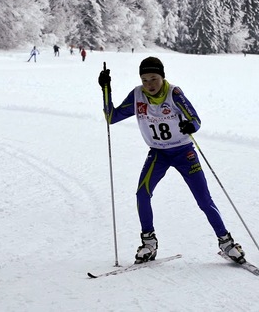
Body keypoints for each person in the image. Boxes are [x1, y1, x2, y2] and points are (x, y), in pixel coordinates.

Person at [98, 57, 245, 264]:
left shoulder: (173, 93)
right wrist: (106, 90)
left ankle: (226, 242)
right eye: (145, 79)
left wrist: (190, 126)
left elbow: (195, 120)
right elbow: (112, 117)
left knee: (204, 200)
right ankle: (149, 242)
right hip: (158, 153)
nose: (149, 84)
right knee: (142, 193)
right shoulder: (137, 95)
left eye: (154, 79)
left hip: (184, 152)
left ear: (162, 77)